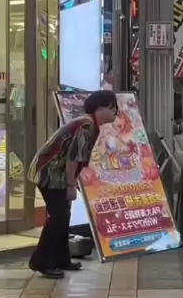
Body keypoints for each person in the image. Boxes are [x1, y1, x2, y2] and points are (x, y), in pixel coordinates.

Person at [27, 90, 117, 278]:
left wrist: (72, 181)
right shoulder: (86, 125)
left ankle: (61, 259)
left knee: (63, 215)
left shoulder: (89, 124)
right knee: (58, 216)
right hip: (49, 173)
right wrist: (70, 185)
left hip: (55, 173)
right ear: (100, 108)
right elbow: (73, 158)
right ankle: (42, 261)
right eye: (112, 107)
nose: (115, 111)